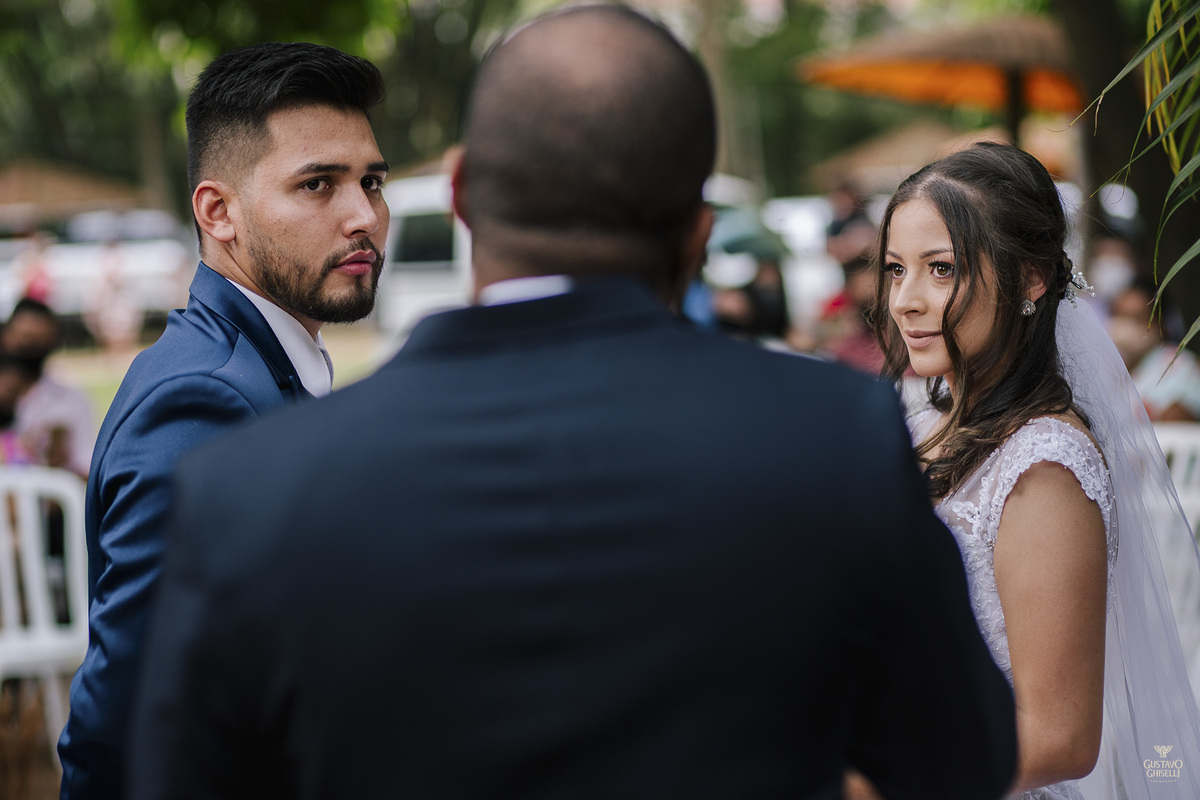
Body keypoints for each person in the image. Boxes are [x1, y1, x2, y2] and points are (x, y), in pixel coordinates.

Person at [128, 7, 1017, 799]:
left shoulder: (249, 488)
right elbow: (960, 760)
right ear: (698, 235)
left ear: (463, 196)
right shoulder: (834, 436)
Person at [58, 42, 389, 800]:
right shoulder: (203, 401)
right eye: (317, 184)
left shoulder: (262, 367)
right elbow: (125, 722)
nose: (364, 216)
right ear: (219, 212)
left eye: (371, 181)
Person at [871, 140, 1200, 799]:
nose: (904, 300)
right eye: (895, 269)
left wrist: (869, 776)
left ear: (1031, 279)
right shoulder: (924, 425)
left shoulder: (1043, 465)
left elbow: (1058, 737)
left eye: (941, 269)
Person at [0, 297, 94, 477]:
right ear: (6, 337)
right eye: (24, 337)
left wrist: (58, 466)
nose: (30, 347)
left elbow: (87, 470)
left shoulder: (73, 402)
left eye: (39, 340)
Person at [1108, 277, 1200, 423]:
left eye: (1137, 318)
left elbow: (1177, 423)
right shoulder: (1112, 368)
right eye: (1120, 316)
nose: (1126, 326)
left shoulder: (1178, 365)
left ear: (1160, 323)